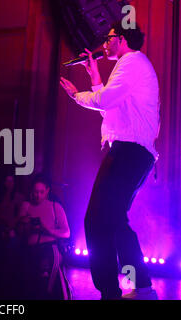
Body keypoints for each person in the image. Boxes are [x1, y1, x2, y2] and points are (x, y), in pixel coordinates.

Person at [60, 22, 160, 300]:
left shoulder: (132, 62)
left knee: (96, 220)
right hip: (133, 153)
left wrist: (76, 95)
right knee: (114, 220)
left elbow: (103, 101)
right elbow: (111, 113)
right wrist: (93, 75)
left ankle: (112, 292)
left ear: (122, 39)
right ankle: (141, 287)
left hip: (128, 152)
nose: (104, 42)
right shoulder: (131, 66)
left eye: (109, 37)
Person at [17, 177, 72, 300]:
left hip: (50, 250)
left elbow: (67, 232)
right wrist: (24, 223)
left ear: (47, 191)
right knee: (30, 285)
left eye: (41, 192)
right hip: (30, 250)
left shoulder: (55, 207)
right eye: (36, 192)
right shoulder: (26, 206)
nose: (38, 195)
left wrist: (47, 229)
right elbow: (19, 231)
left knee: (48, 284)